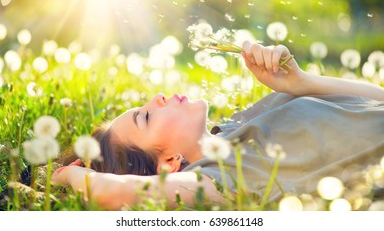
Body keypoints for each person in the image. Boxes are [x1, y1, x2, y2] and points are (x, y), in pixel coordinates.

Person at [52, 42, 384, 210]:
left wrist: (301, 83)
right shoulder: (219, 177)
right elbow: (115, 193)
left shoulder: (233, 128)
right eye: (147, 117)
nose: (156, 97)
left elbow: (377, 102)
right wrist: (70, 175)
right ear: (168, 163)